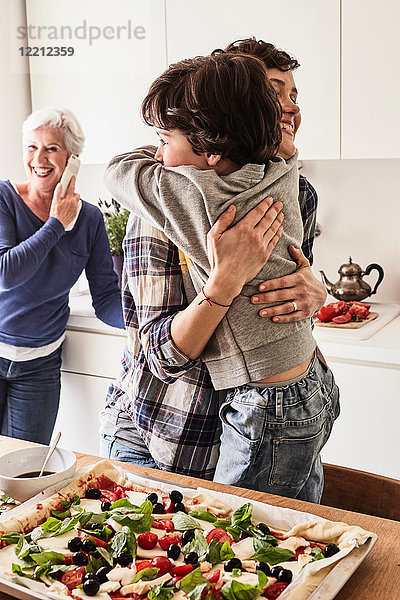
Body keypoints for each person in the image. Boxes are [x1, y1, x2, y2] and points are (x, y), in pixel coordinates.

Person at [104, 50, 339, 502]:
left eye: (294, 95)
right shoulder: (163, 210)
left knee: (260, 550)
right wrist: (223, 283)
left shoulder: (297, 193)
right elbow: (160, 355)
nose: (290, 109)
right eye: (272, 98)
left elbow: (283, 294)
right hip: (169, 436)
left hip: (264, 403)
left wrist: (316, 291)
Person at [0, 108, 124, 445]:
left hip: (39, 365)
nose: (39, 158)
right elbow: (6, 273)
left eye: (52, 148)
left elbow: (107, 298)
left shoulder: (91, 220)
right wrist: (56, 224)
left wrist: (149, 320)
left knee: (24, 468)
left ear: (72, 158)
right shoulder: (4, 199)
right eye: (31, 147)